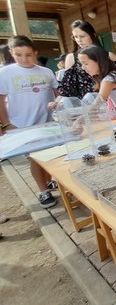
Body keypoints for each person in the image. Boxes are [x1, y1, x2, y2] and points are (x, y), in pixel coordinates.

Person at [0, 35, 60, 208]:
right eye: (19, 55)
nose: (24, 59)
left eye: (28, 54)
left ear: (35, 53)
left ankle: (48, 181)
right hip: (22, 125)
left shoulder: (46, 72)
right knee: (35, 157)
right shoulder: (5, 73)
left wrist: (59, 103)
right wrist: (5, 123)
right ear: (12, 53)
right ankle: (43, 191)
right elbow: (1, 101)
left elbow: (58, 93)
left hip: (47, 122)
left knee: (49, 155)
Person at [59, 20, 116, 99]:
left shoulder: (109, 56)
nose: (79, 40)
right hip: (85, 102)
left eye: (82, 36)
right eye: (75, 37)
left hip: (111, 100)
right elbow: (68, 86)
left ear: (92, 35)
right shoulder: (71, 58)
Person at [78, 45, 116, 116]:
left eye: (86, 63)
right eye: (81, 64)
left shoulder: (109, 80)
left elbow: (95, 107)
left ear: (99, 61)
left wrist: (78, 122)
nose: (83, 67)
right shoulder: (114, 75)